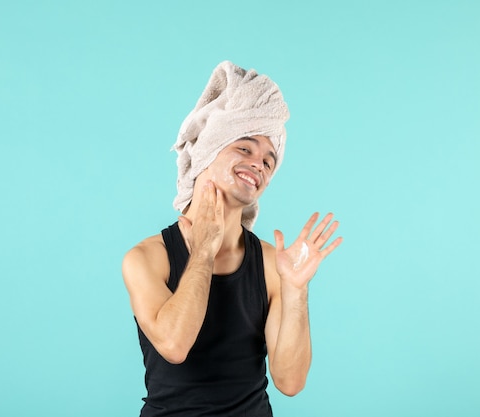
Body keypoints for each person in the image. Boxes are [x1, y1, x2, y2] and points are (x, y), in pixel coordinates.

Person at [122, 61, 342, 417]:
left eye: (269, 162)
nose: (259, 164)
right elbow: (175, 345)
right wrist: (206, 247)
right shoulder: (147, 258)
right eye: (245, 148)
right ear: (209, 150)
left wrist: (296, 289)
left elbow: (290, 381)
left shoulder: (273, 263)